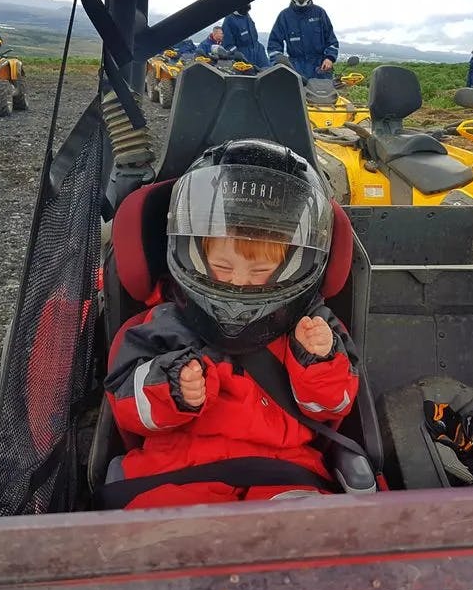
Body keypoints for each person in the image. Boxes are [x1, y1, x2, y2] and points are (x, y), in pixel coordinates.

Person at [104, 139, 360, 509]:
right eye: (223, 268)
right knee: (159, 547)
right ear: (193, 251)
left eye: (260, 272)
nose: (239, 282)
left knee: (307, 538)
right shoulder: (161, 323)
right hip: (174, 470)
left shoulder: (310, 328)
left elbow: (333, 408)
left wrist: (318, 361)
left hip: (283, 469)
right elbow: (126, 408)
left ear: (296, 264)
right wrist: (171, 388)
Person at [267, 0, 339, 80]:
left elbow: (332, 41)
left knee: (324, 96)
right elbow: (274, 43)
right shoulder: (284, 16)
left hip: (320, 69)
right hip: (295, 69)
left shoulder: (319, 13)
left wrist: (329, 58)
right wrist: (280, 62)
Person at [222, 4, 271, 70]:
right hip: (243, 56)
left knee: (268, 72)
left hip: (258, 51)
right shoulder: (229, 19)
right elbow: (227, 44)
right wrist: (236, 53)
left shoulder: (247, 15)